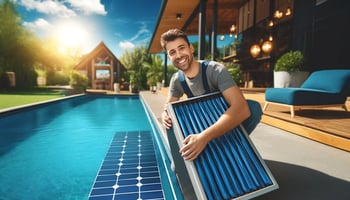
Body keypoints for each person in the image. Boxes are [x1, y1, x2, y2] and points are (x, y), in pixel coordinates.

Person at [160, 28, 251, 161]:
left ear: (191, 48)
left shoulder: (215, 70)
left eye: (182, 48)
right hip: (203, 124)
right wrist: (164, 114)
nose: (178, 55)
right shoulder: (177, 80)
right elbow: (168, 106)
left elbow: (242, 109)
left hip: (222, 121)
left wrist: (204, 137)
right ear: (169, 58)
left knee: (253, 107)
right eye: (172, 52)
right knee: (179, 167)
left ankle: (233, 144)